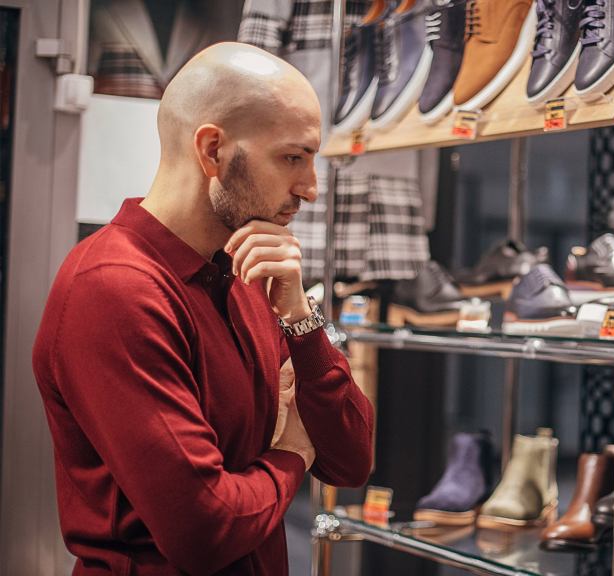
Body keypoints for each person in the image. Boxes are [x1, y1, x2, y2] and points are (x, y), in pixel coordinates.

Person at [32, 42, 374, 575]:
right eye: (292, 157)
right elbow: (204, 530)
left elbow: (351, 460)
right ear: (212, 150)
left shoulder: (246, 270)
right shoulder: (116, 289)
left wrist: (300, 324)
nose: (309, 188)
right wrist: (292, 452)